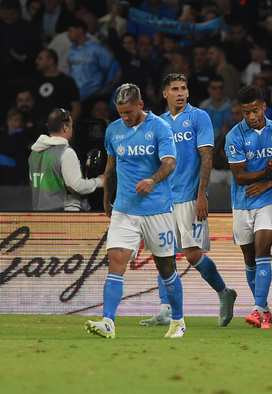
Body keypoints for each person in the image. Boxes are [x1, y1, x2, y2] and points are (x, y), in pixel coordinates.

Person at [84, 84, 185, 339]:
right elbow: (111, 168)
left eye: (128, 112)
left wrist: (152, 180)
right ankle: (108, 322)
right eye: (120, 113)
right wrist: (107, 200)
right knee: (116, 262)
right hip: (125, 210)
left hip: (157, 210)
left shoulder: (160, 128)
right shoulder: (113, 130)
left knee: (166, 268)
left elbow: (170, 163)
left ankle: (178, 321)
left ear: (141, 105)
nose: (125, 118)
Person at [139, 73, 237, 328]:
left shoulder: (198, 117)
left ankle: (224, 293)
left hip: (189, 197)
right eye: (175, 89)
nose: (181, 93)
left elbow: (207, 156)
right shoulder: (158, 123)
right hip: (163, 199)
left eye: (184, 88)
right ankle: (164, 310)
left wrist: (202, 194)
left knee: (192, 255)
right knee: (164, 254)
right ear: (165, 94)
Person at [224, 86, 272, 329]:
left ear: (263, 106)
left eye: (255, 110)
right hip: (242, 203)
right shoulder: (234, 136)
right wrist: (267, 173)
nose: (251, 116)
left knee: (263, 251)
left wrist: (268, 184)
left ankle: (256, 309)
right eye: (245, 112)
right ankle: (264, 308)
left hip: (268, 200)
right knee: (250, 259)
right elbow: (240, 177)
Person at [28, 108, 104, 211]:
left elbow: (33, 184)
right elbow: (76, 187)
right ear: (65, 127)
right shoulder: (66, 152)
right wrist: (99, 181)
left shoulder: (34, 153)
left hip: (41, 214)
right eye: (71, 126)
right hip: (65, 214)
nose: (72, 130)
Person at [32, 49, 82, 123]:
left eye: (40, 58)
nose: (37, 61)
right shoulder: (35, 80)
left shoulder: (67, 81)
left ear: (50, 60)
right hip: (39, 125)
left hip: (59, 126)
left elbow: (76, 106)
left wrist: (69, 124)